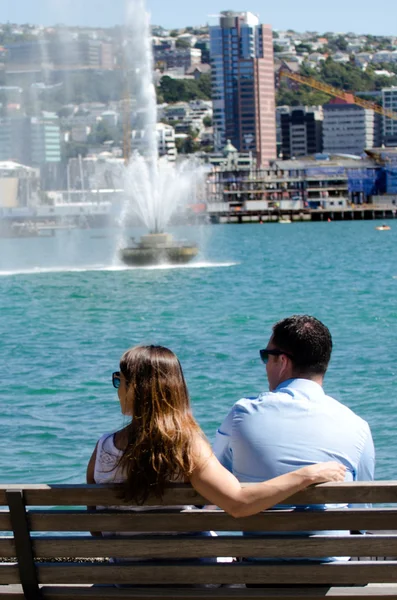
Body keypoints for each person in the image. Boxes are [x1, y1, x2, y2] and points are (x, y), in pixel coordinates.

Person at [87, 344, 345, 523]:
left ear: (137, 389)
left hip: (125, 581)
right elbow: (239, 503)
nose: (117, 389)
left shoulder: (103, 450)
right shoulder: (186, 449)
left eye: (119, 380)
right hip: (192, 581)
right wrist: (307, 474)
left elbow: (96, 527)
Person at [213, 315, 375, 561]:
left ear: (283, 361)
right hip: (331, 577)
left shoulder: (242, 414)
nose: (265, 364)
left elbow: (216, 484)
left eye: (266, 356)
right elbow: (360, 517)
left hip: (260, 573)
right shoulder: (358, 426)